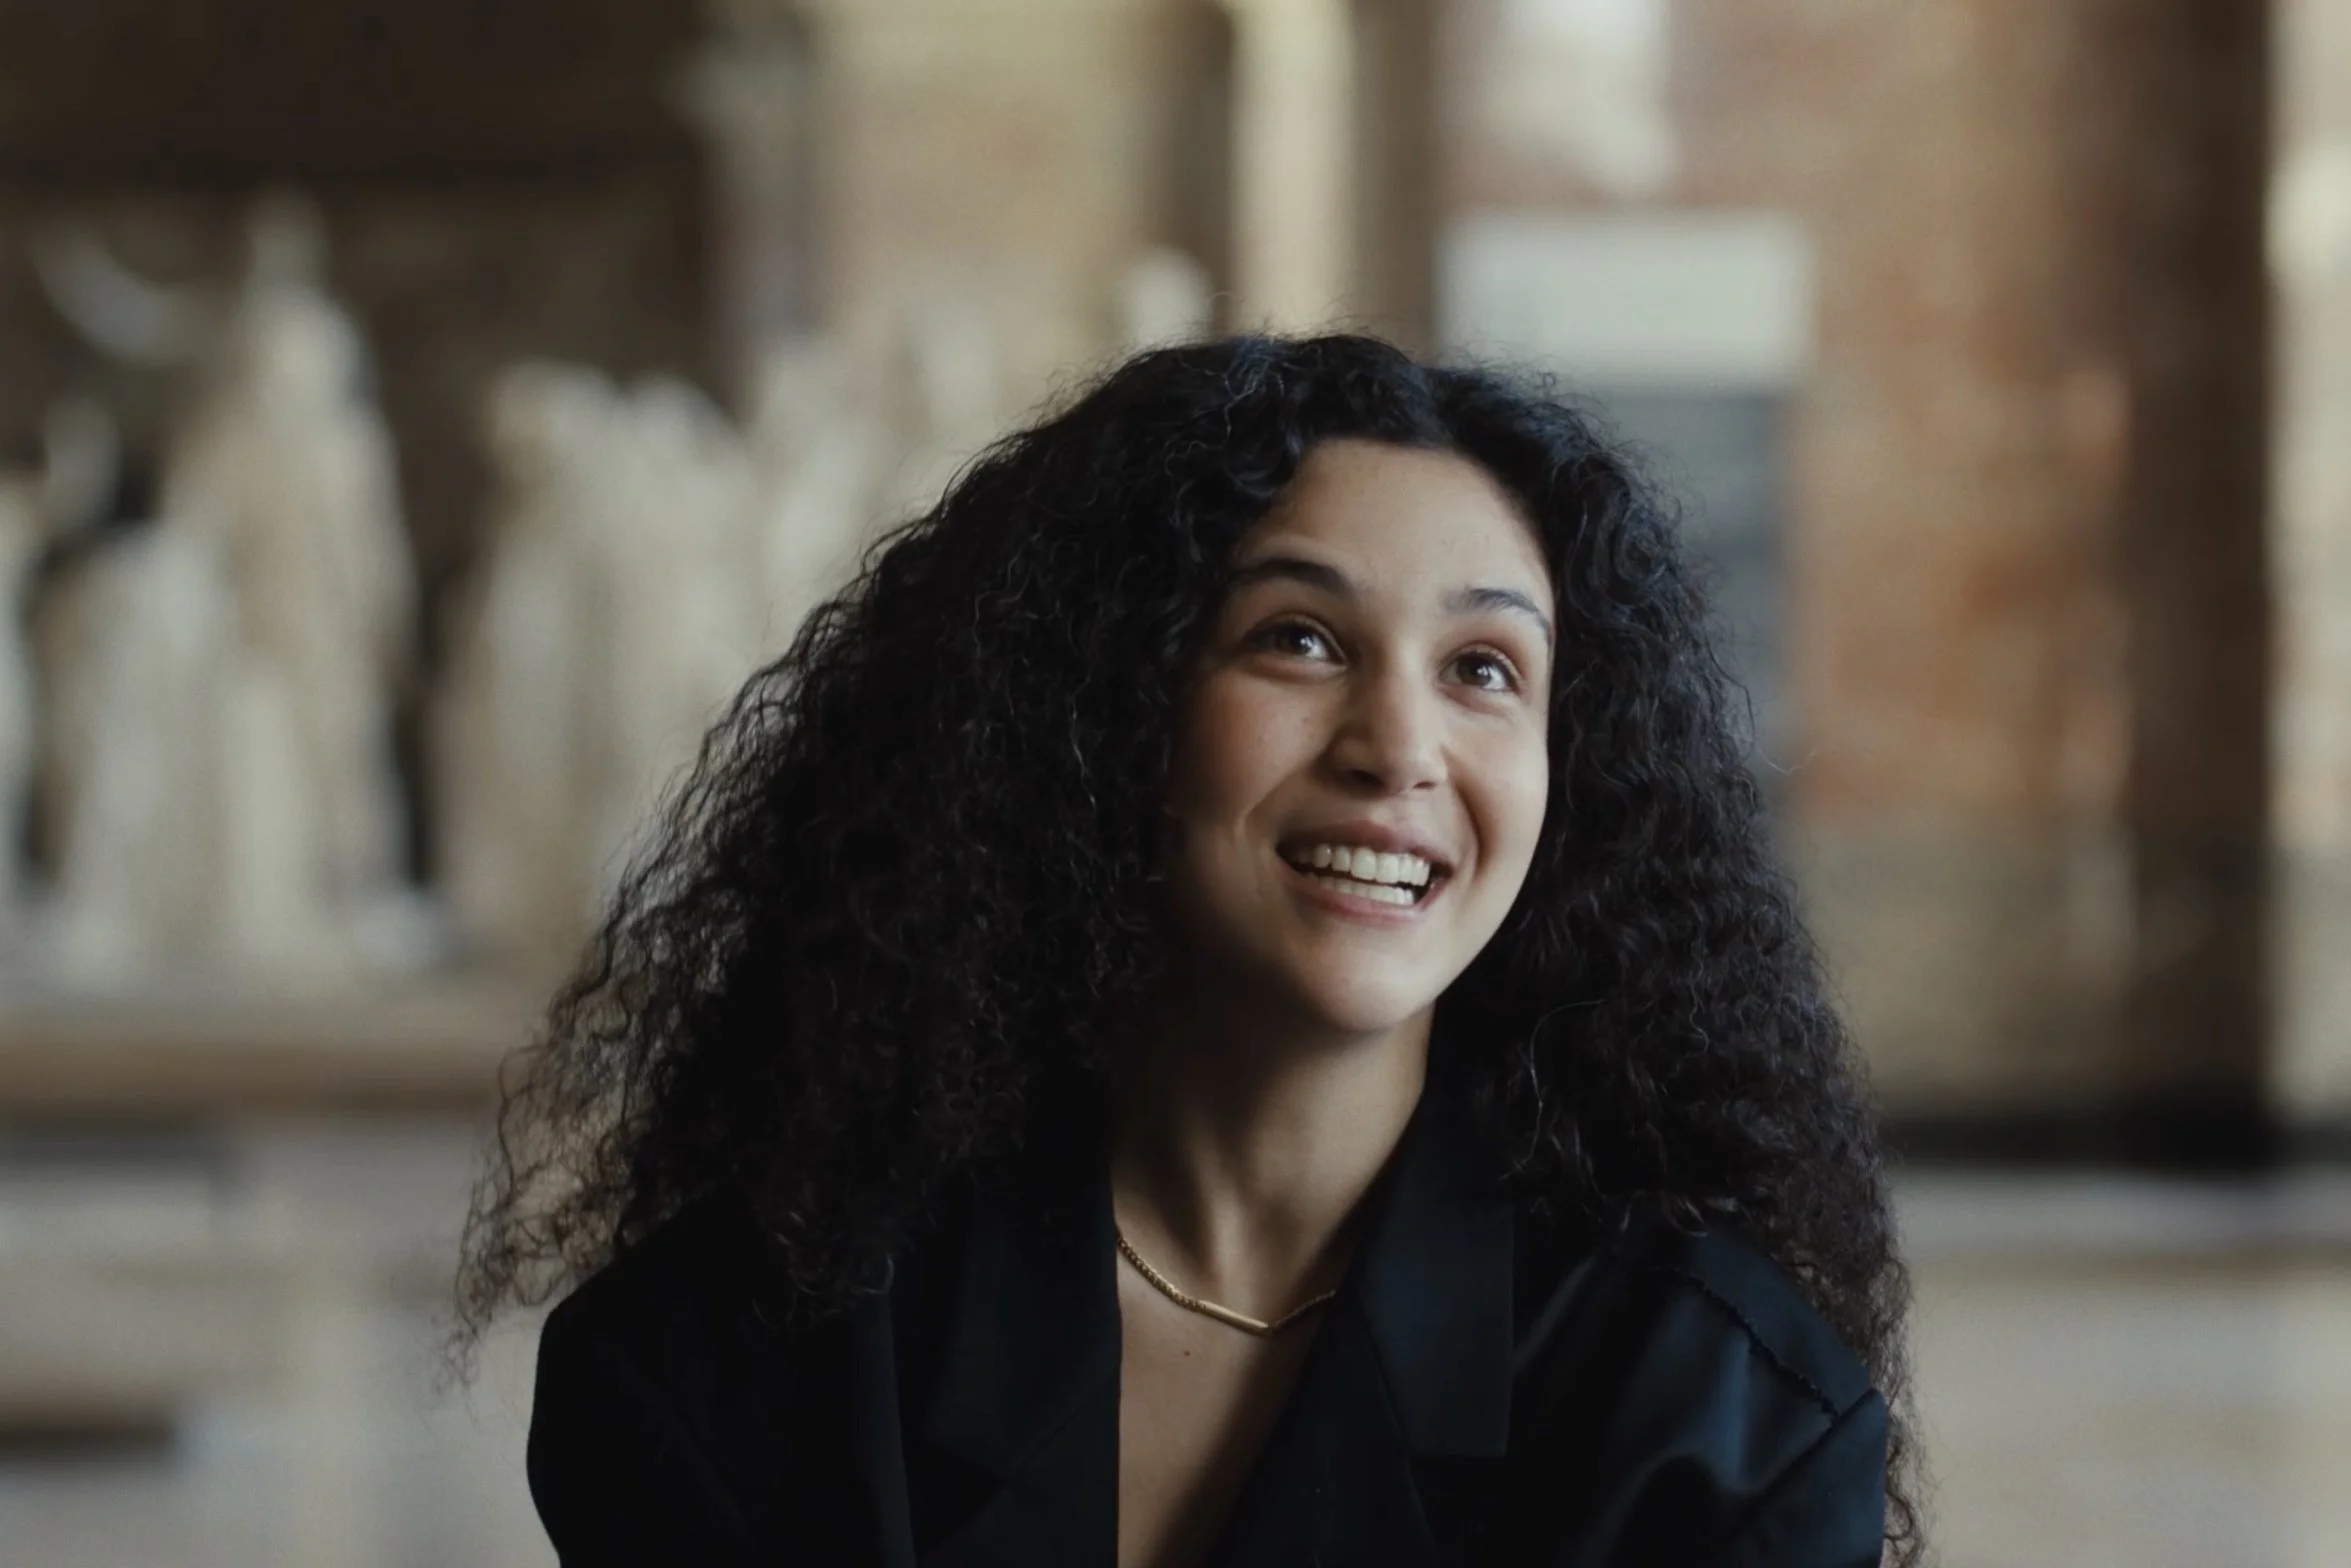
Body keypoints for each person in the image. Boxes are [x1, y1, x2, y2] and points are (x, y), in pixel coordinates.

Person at [454, 334, 1924, 1566]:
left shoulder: (1723, 1422)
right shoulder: (729, 1362)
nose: (1399, 746)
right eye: (1298, 639)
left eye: (1485, 670)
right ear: (1109, 710)